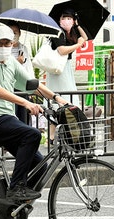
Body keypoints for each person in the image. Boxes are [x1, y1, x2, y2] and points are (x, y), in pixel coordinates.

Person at [0, 25, 70, 219]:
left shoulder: (9, 61)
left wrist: (56, 98)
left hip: (7, 119)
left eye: (7, 43)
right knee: (32, 134)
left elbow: (31, 82)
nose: (3, 47)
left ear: (12, 44)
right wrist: (25, 102)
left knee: (40, 165)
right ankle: (16, 189)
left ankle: (12, 212)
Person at [47, 8, 89, 142]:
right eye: (64, 18)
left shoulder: (71, 33)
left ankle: (62, 136)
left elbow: (85, 37)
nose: (66, 21)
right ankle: (52, 137)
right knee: (59, 101)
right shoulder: (57, 33)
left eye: (69, 18)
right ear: (59, 20)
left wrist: (76, 25)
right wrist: (78, 45)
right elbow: (62, 50)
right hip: (58, 71)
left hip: (66, 69)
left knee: (68, 100)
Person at [5, 21, 38, 127]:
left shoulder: (23, 48)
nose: (14, 35)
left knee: (23, 114)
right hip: (9, 86)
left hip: (22, 86)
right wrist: (17, 62)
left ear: (20, 34)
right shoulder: (4, 49)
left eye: (16, 32)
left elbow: (29, 68)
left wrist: (32, 87)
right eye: (11, 32)